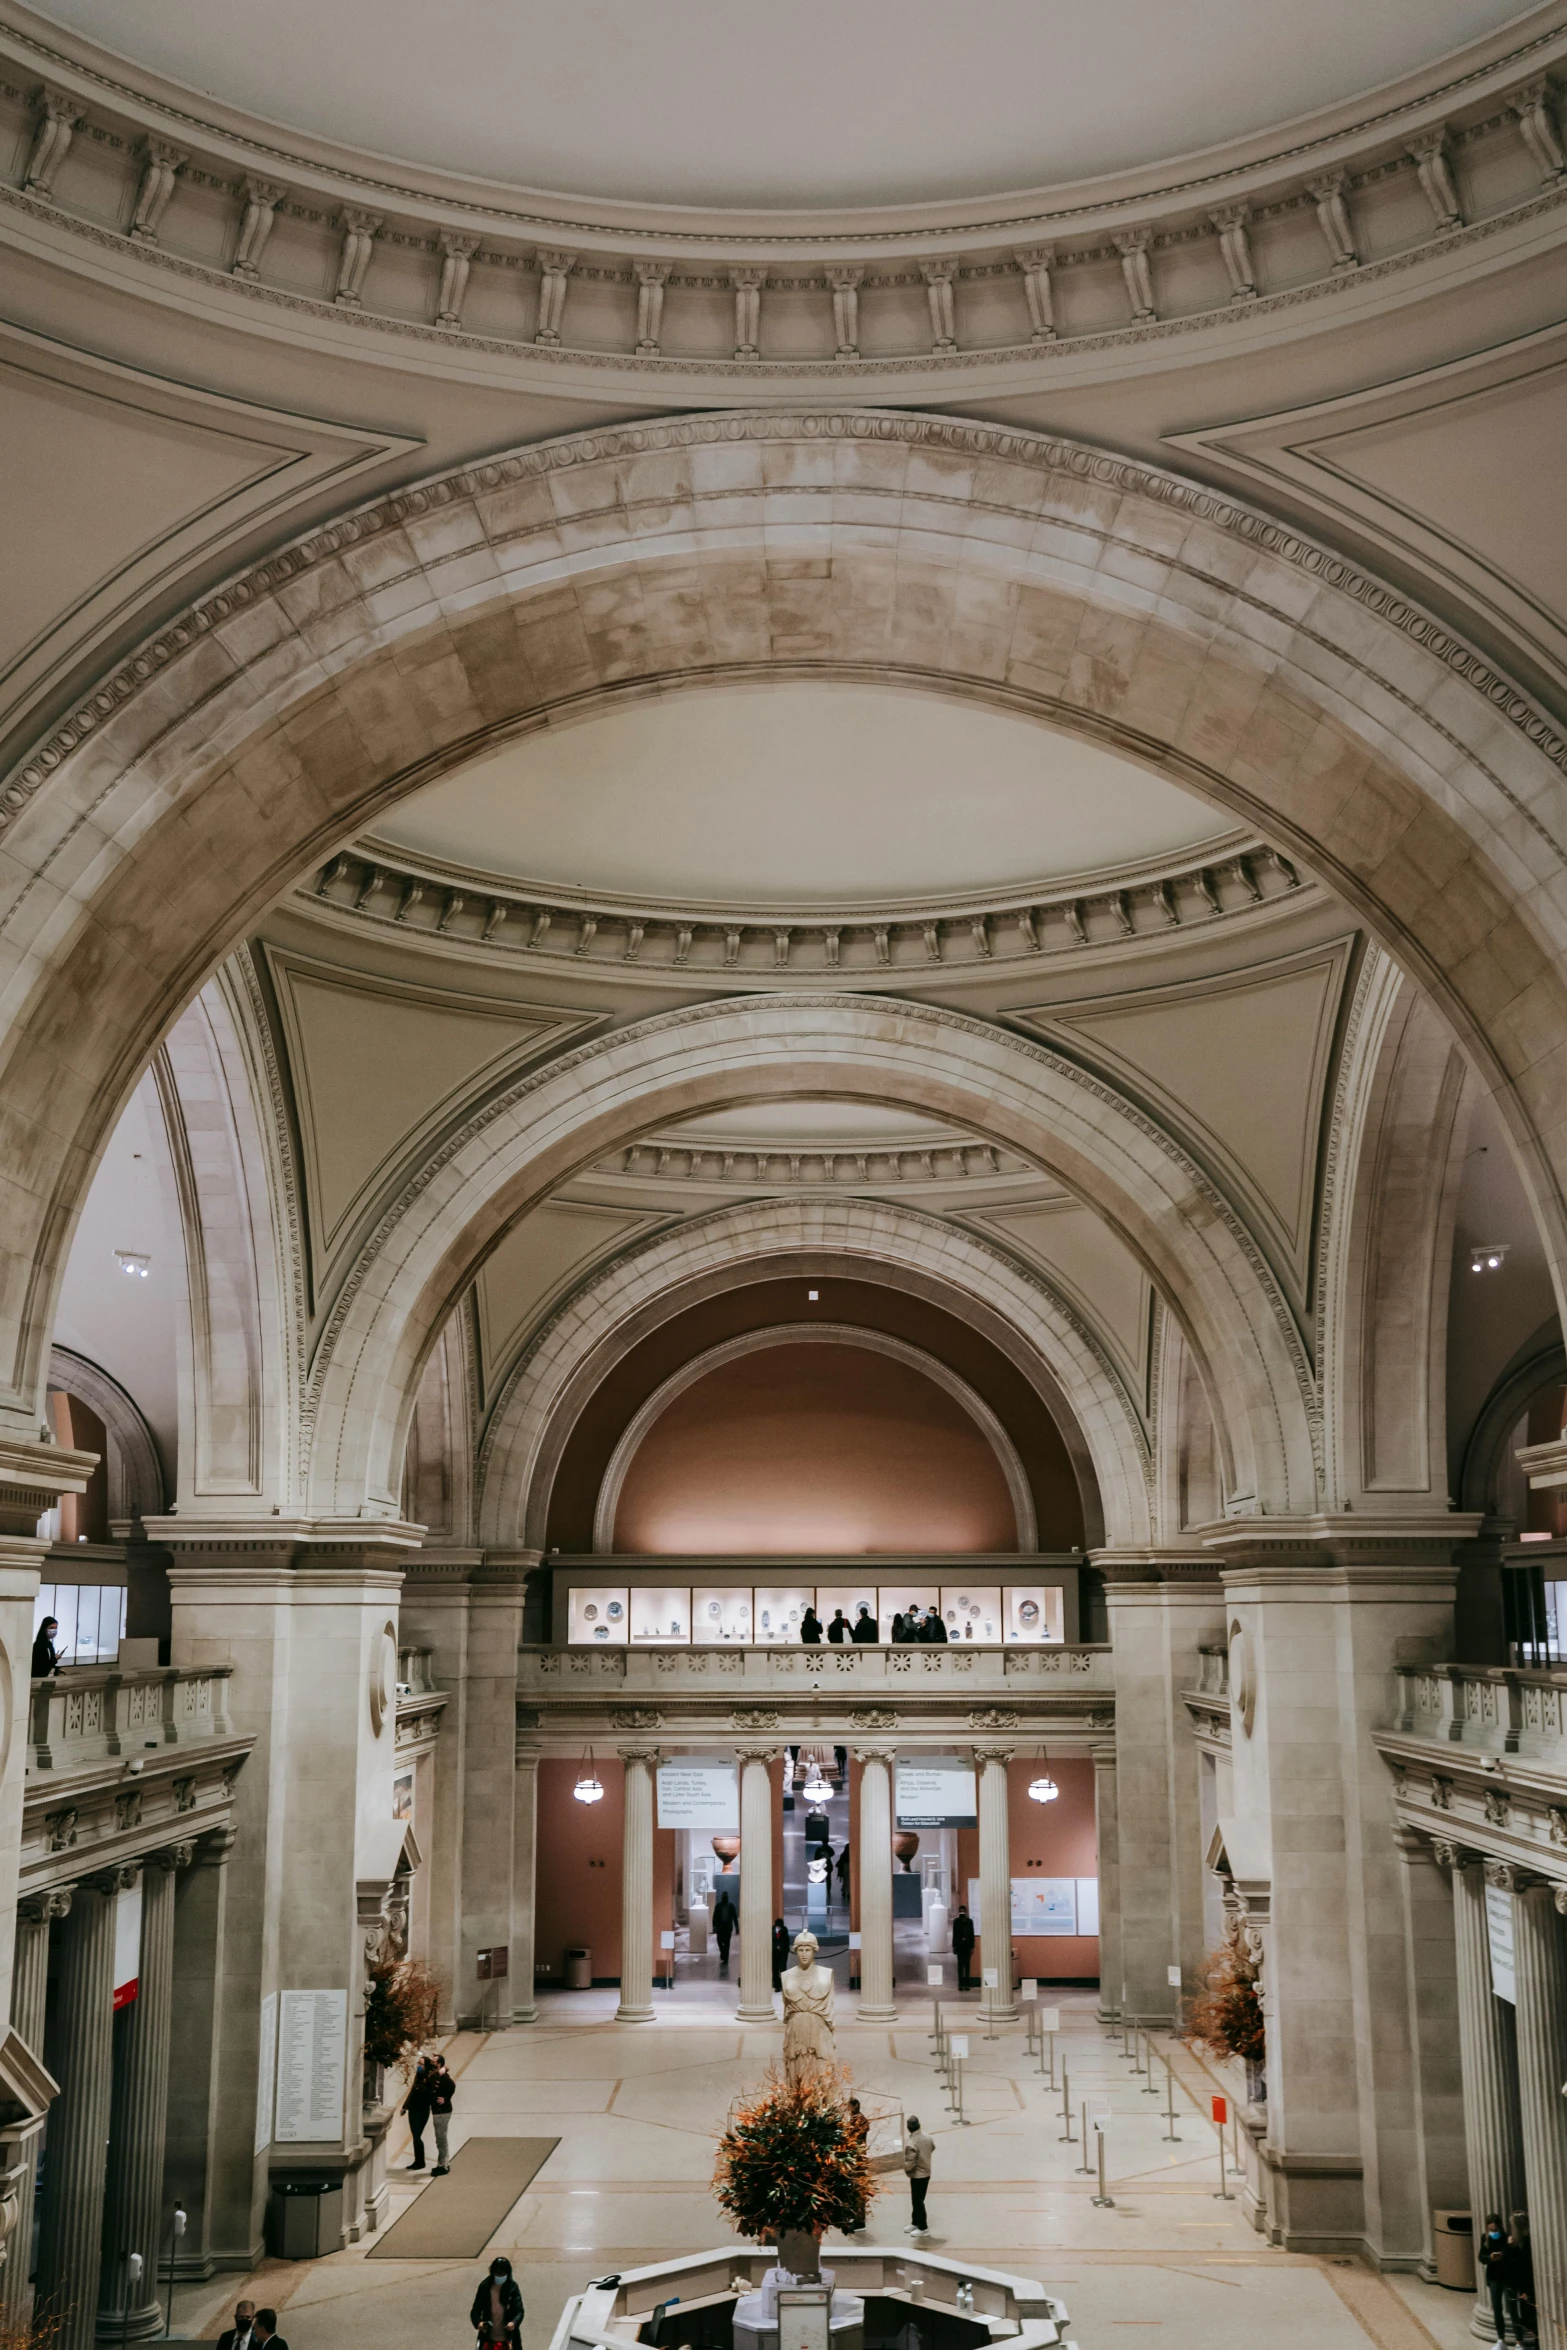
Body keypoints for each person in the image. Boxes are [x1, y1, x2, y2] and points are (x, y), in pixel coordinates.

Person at [470, 2254, 525, 2348]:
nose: (500, 2276)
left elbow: (519, 2311)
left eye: (503, 2274)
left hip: (509, 2337)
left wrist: (514, 2323)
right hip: (488, 2337)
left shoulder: (512, 2287)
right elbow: (475, 2310)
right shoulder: (485, 2287)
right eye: (497, 2273)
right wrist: (479, 2323)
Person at [1480, 2213, 1509, 2343]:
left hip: (1507, 2275)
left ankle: (1518, 2340)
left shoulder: (1506, 2238)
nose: (1493, 2232)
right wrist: (1490, 2258)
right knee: (1497, 2308)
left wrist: (1503, 2255)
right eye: (1491, 2230)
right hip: (1493, 2276)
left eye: (1495, 2230)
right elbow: (1481, 2256)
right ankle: (1501, 2338)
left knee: (1512, 2308)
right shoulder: (1485, 2238)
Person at [903, 2115, 934, 2237]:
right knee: (917, 2200)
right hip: (926, 2172)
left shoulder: (911, 2143)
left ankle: (923, 2227)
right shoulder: (927, 2137)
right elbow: (932, 2147)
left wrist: (905, 2167)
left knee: (918, 2201)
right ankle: (915, 2222)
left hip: (918, 2175)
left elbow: (910, 2163)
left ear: (908, 2128)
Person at [403, 2052, 435, 2170]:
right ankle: (418, 2160)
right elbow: (412, 2092)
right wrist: (405, 2106)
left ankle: (420, 2161)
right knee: (415, 2135)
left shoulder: (430, 2079)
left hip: (422, 2110)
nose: (418, 2066)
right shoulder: (419, 2077)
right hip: (413, 2109)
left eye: (421, 2064)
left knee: (417, 2136)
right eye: (418, 2063)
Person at [843, 2097, 869, 2232]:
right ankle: (855, 2215)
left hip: (857, 2159)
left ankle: (859, 2220)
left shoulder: (856, 2121)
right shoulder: (860, 2120)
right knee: (855, 2188)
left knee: (858, 2189)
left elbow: (850, 2138)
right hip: (858, 2158)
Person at [428, 2051, 456, 2176]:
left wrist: (446, 2098)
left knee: (441, 2139)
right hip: (437, 2111)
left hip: (442, 2111)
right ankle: (445, 2162)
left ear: (439, 2064)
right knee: (441, 2138)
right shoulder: (436, 2074)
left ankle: (442, 2165)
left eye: (434, 2062)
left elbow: (452, 2086)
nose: (432, 2063)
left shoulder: (443, 2077)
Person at [952, 1903, 976, 1992]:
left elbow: (972, 1934)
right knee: (960, 1965)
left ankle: (966, 1983)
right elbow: (954, 1934)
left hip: (967, 1946)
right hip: (959, 1946)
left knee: (967, 1965)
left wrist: (972, 1946)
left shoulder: (969, 1921)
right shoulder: (956, 1921)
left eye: (963, 1911)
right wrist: (954, 1946)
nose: (962, 1913)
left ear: (966, 1912)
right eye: (960, 1911)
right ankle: (960, 1983)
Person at [713, 1888, 737, 1971]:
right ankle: (723, 1952)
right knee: (719, 1941)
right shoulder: (718, 1906)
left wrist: (737, 1927)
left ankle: (726, 1959)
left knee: (727, 1944)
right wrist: (714, 1926)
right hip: (720, 1927)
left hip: (727, 1928)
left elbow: (734, 1917)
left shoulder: (731, 1906)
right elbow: (715, 1917)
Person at [772, 1916, 791, 1991]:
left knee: (783, 1969)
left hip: (782, 1954)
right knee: (775, 1970)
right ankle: (776, 1985)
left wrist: (781, 1947)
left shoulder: (784, 1929)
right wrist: (776, 1947)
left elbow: (786, 1940)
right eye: (778, 1927)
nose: (779, 1928)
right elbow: (771, 1940)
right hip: (774, 1953)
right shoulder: (772, 1930)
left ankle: (783, 1985)